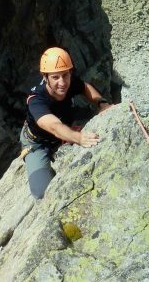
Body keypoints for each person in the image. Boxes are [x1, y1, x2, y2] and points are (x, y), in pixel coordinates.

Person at [22, 47, 113, 199]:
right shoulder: (36, 99)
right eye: (55, 77)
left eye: (65, 75)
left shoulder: (69, 82)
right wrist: (78, 138)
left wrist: (102, 103)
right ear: (45, 77)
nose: (62, 82)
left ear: (70, 72)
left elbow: (84, 87)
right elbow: (54, 126)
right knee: (41, 192)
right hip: (38, 143)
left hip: (63, 133)